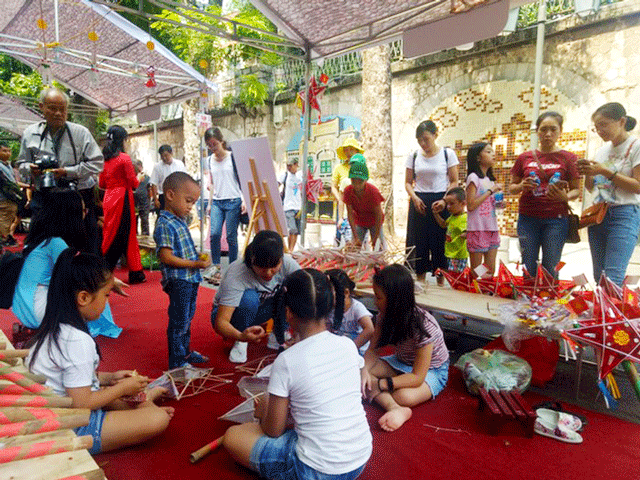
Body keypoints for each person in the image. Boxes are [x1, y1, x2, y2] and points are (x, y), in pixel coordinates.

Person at [222, 268, 372, 480]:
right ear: (329, 305)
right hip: (359, 458)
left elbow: (273, 430)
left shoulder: (287, 360)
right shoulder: (347, 345)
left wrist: (263, 412)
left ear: (288, 312)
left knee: (233, 436)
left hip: (315, 470)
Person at [26, 248, 173, 454]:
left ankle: (144, 404)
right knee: (156, 419)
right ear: (84, 298)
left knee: (126, 395)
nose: (107, 302)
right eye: (106, 295)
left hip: (56, 408)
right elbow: (81, 402)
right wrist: (122, 389)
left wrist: (109, 378)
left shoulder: (59, 326)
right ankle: (145, 406)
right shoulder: (77, 340)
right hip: (67, 424)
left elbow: (68, 376)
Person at [12, 189, 123, 339]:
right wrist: (108, 282)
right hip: (38, 309)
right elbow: (77, 274)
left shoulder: (41, 240)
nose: (85, 214)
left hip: (24, 306)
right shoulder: (56, 243)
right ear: (71, 214)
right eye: (83, 210)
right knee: (94, 288)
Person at [362, 264, 449, 432]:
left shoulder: (424, 326)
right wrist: (365, 370)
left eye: (378, 297)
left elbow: (417, 376)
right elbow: (372, 350)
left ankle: (395, 403)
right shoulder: (384, 316)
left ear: (395, 299)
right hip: (401, 362)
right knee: (360, 372)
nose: (374, 302)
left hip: (432, 370)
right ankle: (394, 408)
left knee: (403, 396)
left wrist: (380, 384)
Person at [17, 87, 103, 254]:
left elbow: (98, 163)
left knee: (85, 249)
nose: (58, 113)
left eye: (62, 109)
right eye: (52, 108)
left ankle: (84, 279)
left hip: (77, 197)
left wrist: (68, 172)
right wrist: (31, 169)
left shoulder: (80, 133)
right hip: (45, 197)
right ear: (41, 107)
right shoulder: (30, 133)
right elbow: (21, 164)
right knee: (40, 247)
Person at [211, 230, 300, 364]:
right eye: (263, 268)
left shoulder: (287, 263)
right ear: (252, 261)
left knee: (291, 289)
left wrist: (301, 333)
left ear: (281, 259)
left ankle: (278, 331)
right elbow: (221, 322)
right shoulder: (238, 273)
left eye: (274, 267)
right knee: (249, 298)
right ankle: (240, 340)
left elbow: (306, 291)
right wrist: (241, 336)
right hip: (231, 315)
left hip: (262, 310)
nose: (269, 273)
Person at [509, 112, 580, 278]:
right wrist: (521, 186)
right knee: (528, 263)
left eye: (553, 129)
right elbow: (511, 187)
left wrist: (566, 197)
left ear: (560, 131)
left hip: (556, 219)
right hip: (527, 218)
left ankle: (549, 301)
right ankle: (527, 300)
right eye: (543, 129)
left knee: (551, 265)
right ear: (537, 132)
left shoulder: (569, 158)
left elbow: (576, 189)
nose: (548, 134)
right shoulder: (524, 157)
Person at [578, 102, 640, 285]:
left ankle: (611, 312)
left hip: (624, 213)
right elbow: (592, 188)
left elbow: (638, 186)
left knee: (613, 276)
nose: (599, 131)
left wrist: (605, 171)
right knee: (599, 275)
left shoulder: (636, 146)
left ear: (621, 121)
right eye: (596, 127)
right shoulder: (602, 151)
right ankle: (604, 312)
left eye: (603, 124)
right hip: (598, 215)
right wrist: (587, 172)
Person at [154, 172, 211, 369]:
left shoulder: (178, 220)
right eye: (188, 201)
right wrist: (195, 264)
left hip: (189, 278)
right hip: (179, 280)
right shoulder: (165, 223)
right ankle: (177, 362)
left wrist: (198, 258)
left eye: (193, 202)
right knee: (179, 321)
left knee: (186, 318)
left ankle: (184, 353)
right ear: (170, 195)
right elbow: (166, 257)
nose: (190, 207)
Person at [405, 120, 459, 283]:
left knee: (440, 244)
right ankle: (420, 282)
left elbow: (454, 181)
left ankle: (441, 283)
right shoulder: (413, 156)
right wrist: (414, 198)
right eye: (419, 140)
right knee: (419, 244)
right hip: (419, 201)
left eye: (426, 139)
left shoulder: (447, 154)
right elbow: (408, 182)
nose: (423, 143)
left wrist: (445, 201)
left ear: (435, 135)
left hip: (441, 200)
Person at [99, 126, 145, 285]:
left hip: (109, 197)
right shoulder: (124, 159)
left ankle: (133, 270)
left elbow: (102, 183)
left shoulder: (104, 160)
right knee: (125, 234)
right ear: (122, 140)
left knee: (110, 232)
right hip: (123, 198)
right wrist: (140, 178)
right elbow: (133, 183)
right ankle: (110, 270)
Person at [204, 127, 243, 285]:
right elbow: (212, 183)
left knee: (231, 236)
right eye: (209, 145)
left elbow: (242, 179)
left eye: (214, 144)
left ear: (221, 142)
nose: (213, 148)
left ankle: (233, 269)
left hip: (233, 200)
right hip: (217, 202)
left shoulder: (233, 157)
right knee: (214, 234)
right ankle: (216, 267)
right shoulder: (209, 160)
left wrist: (244, 200)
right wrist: (210, 202)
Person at [465, 143, 501, 278]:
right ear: (478, 157)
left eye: (493, 151)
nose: (493, 154)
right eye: (488, 151)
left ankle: (486, 291)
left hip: (491, 227)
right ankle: (474, 290)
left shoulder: (490, 180)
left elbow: (492, 204)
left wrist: (499, 201)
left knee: (490, 268)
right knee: (477, 270)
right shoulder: (473, 177)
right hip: (477, 228)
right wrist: (490, 191)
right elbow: (471, 205)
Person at [326, 269, 374, 355]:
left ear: (345, 293)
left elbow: (369, 329)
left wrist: (352, 348)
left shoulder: (356, 308)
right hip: (339, 349)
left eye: (329, 294)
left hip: (358, 351)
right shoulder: (330, 310)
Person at [343, 161, 385, 250]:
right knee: (355, 247)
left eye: (360, 182)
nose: (357, 185)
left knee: (378, 247)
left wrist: (376, 236)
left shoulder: (373, 192)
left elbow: (378, 215)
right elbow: (350, 214)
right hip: (359, 220)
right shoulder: (348, 191)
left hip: (374, 221)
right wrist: (355, 236)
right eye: (354, 181)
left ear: (366, 180)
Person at [333, 138, 364, 245]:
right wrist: (341, 200)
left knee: (359, 239)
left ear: (357, 151)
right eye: (346, 150)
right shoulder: (339, 168)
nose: (348, 152)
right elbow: (333, 187)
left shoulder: (362, 168)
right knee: (341, 234)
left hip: (359, 209)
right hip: (344, 207)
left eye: (351, 149)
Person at [432, 187, 468, 273]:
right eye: (447, 204)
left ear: (463, 203)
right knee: (451, 274)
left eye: (452, 204)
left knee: (456, 276)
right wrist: (436, 214)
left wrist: (464, 235)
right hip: (450, 253)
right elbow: (443, 224)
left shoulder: (465, 217)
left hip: (459, 255)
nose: (448, 207)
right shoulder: (452, 217)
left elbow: (469, 232)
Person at [149, 144, 186, 213]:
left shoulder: (179, 164)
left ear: (171, 153)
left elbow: (184, 180)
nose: (164, 158)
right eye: (162, 156)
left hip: (178, 195)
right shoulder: (157, 167)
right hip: (164, 197)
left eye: (166, 155)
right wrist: (155, 199)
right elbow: (153, 183)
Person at [278, 157, 303, 252]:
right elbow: (277, 185)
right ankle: (289, 250)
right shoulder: (284, 175)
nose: (289, 167)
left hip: (298, 206)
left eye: (291, 165)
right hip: (288, 207)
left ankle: (291, 250)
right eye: (287, 165)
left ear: (296, 165)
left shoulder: (300, 175)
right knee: (292, 230)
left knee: (296, 231)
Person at [0, 141, 18, 246]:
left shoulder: (9, 166)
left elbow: (13, 182)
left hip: (11, 198)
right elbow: (6, 183)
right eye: (4, 151)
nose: (7, 153)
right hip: (3, 198)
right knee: (3, 219)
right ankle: (5, 238)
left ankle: (6, 238)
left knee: (8, 219)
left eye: (9, 151)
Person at [133, 159, 151, 236]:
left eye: (139, 166)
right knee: (134, 221)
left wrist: (149, 200)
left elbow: (149, 189)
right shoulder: (132, 177)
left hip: (144, 202)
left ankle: (145, 236)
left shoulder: (146, 178)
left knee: (144, 221)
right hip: (134, 203)